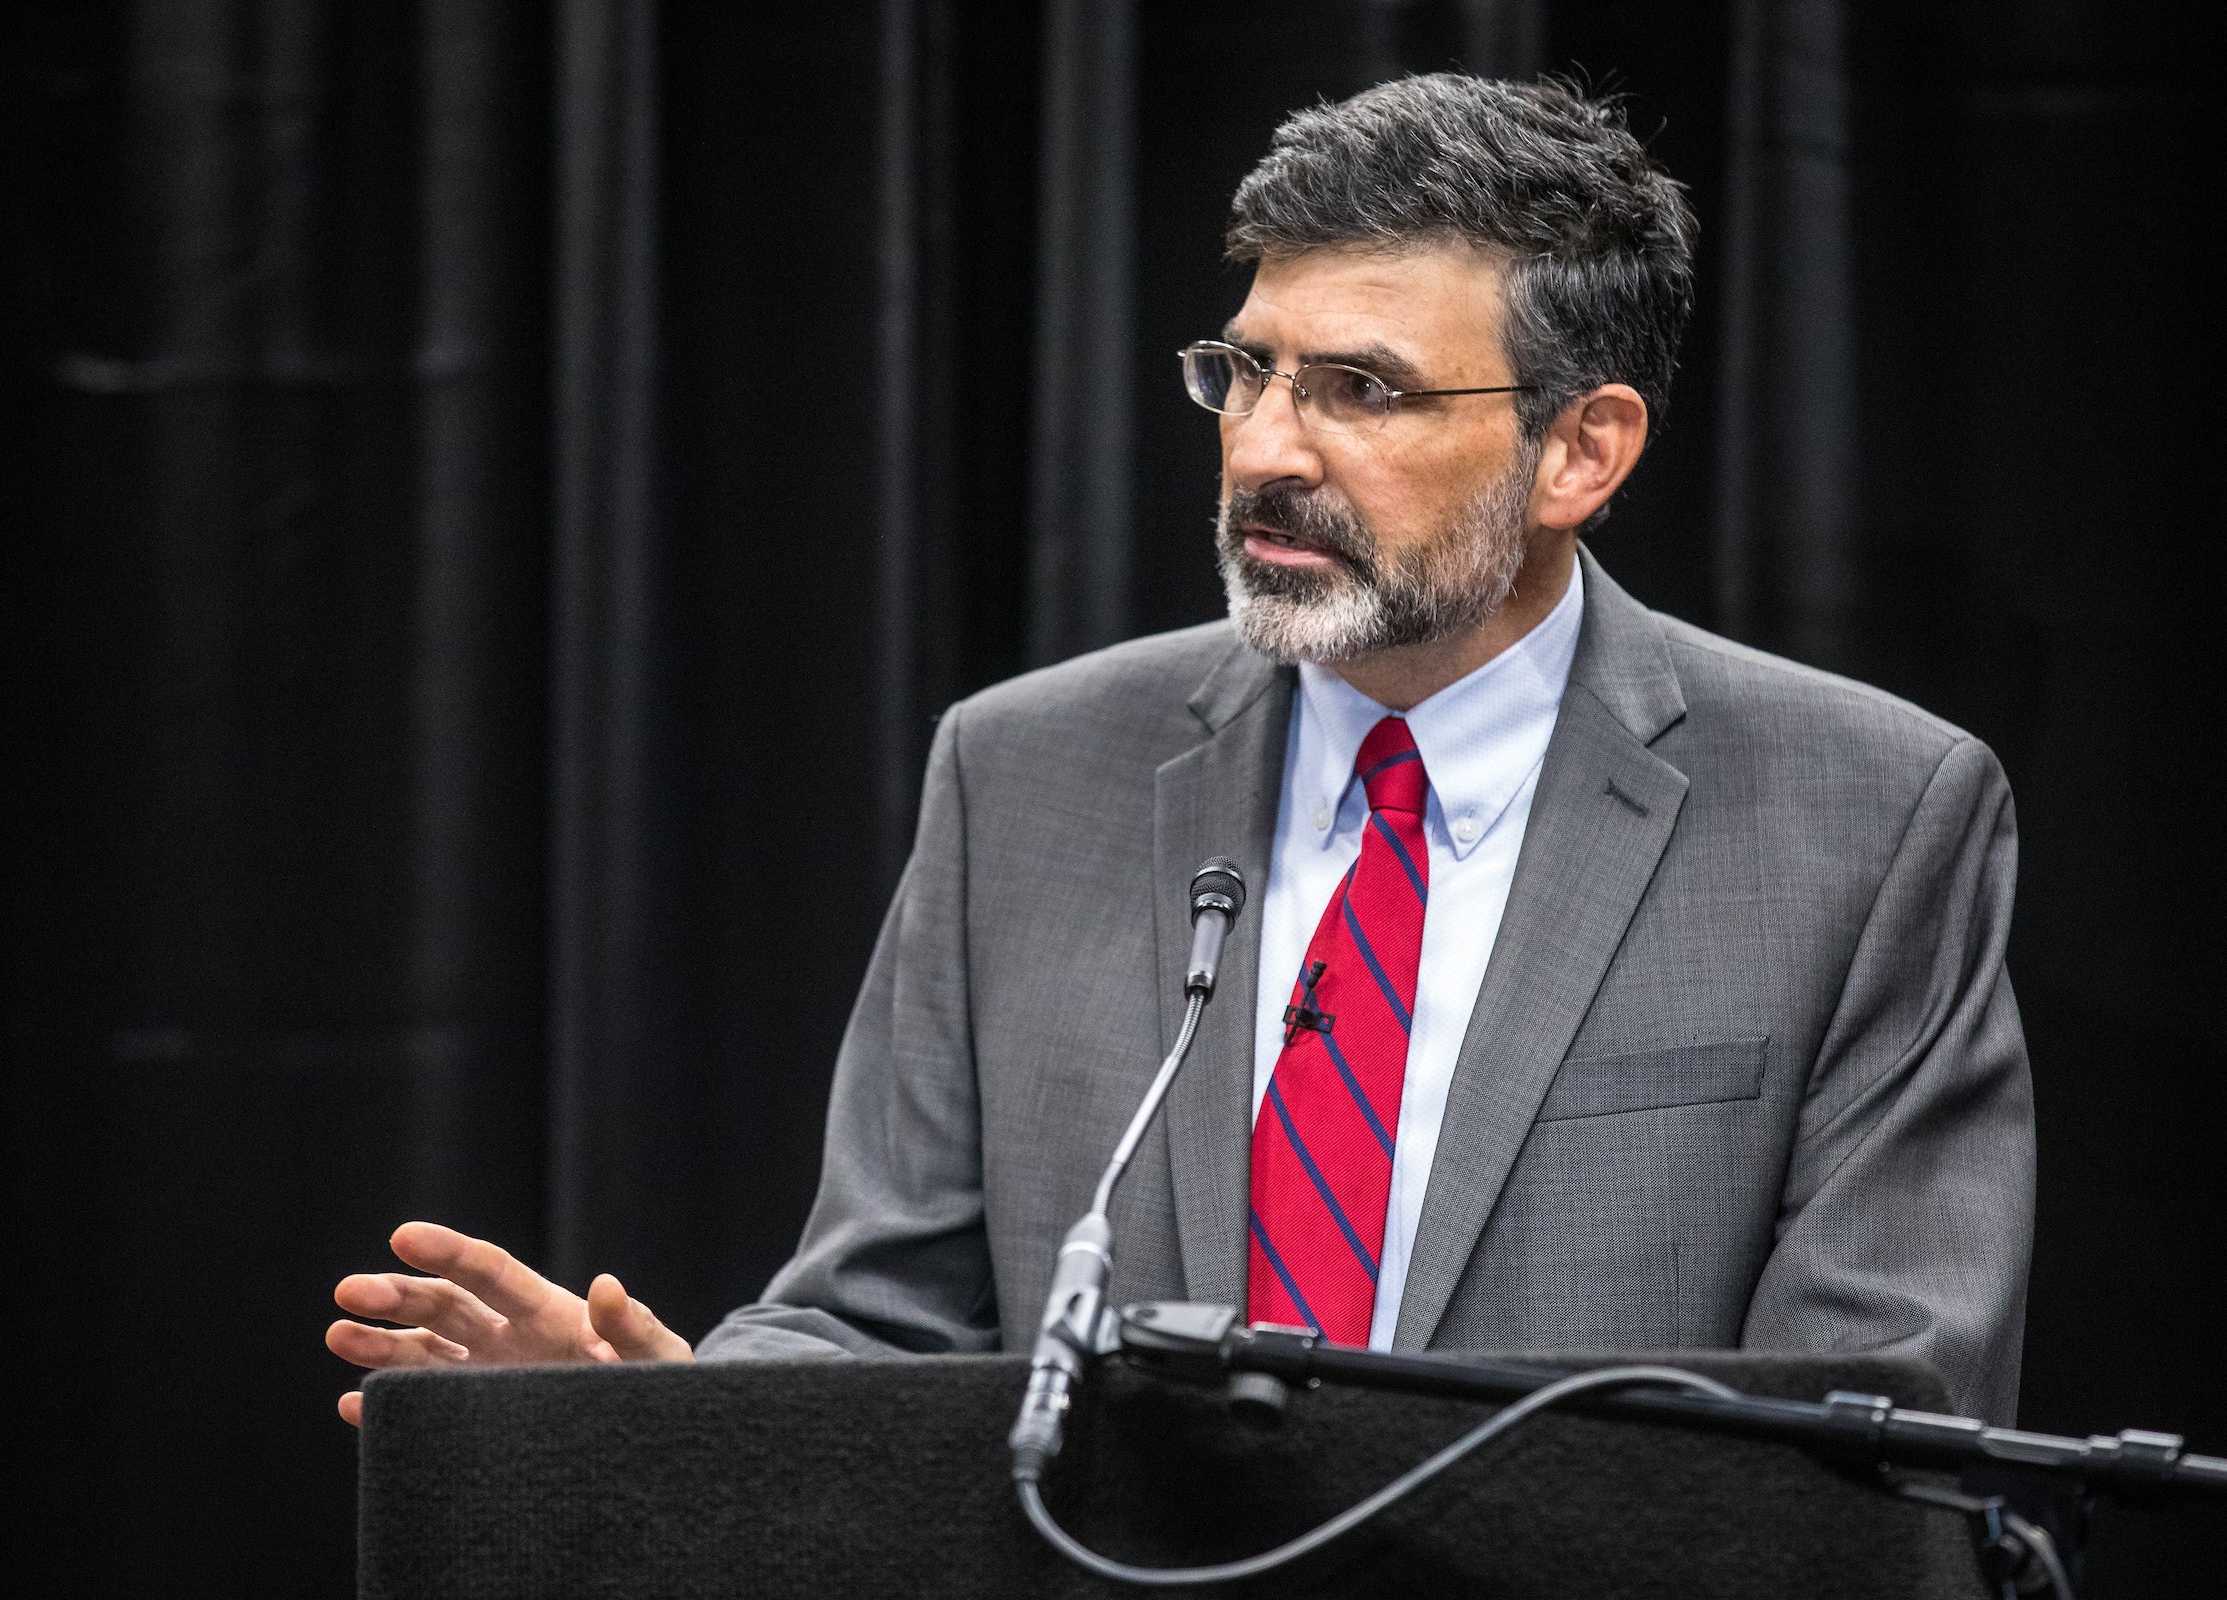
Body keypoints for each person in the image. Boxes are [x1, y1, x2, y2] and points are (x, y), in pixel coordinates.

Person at [327, 73, 2033, 1426]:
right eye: (1249, 372)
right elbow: (888, 1325)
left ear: (1580, 450)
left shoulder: (1865, 819)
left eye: (1361, 392)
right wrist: (662, 1426)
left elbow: (1877, 1425)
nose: (1267, 450)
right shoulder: (1027, 774)